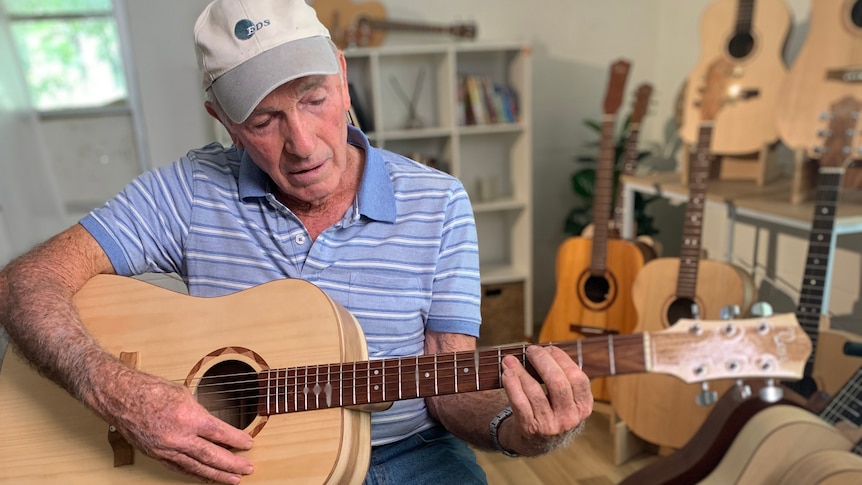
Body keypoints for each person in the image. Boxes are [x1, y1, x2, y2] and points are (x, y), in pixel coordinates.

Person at [0, 0, 593, 483]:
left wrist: (517, 429)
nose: (303, 145)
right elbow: (23, 283)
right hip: (237, 464)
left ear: (342, 74)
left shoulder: (439, 202)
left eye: (314, 98)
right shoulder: (187, 191)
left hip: (409, 458)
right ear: (223, 120)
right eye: (263, 121)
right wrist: (119, 393)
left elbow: (449, 385)